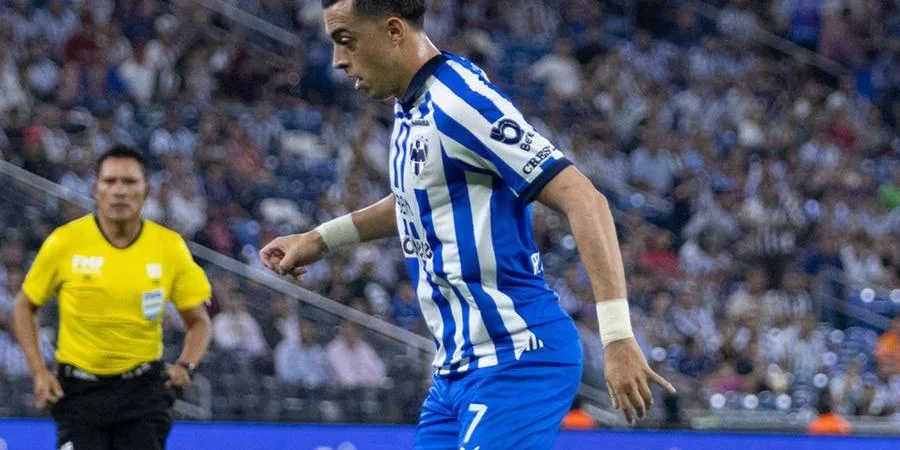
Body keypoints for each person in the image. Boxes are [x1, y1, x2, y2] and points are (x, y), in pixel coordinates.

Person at [260, 1, 675, 448]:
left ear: (394, 31)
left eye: (346, 41)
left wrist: (617, 336)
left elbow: (585, 200)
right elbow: (418, 198)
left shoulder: (461, 102)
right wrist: (321, 239)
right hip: (454, 373)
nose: (338, 61)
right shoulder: (411, 105)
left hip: (518, 358)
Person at [12, 146, 213, 450]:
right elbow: (24, 307)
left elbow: (199, 322)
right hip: (79, 393)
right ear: (96, 189)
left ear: (146, 191)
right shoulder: (64, 242)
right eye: (110, 181)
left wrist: (186, 366)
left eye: (129, 182)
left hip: (143, 394)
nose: (119, 191)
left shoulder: (169, 247)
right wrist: (39, 372)